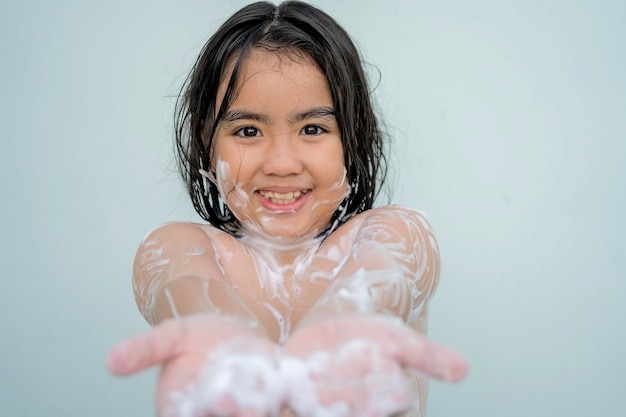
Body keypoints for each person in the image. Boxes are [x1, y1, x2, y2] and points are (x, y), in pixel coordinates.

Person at [106, 1, 468, 416]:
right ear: (207, 140)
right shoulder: (179, 248)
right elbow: (183, 284)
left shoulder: (393, 233)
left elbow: (387, 271)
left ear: (352, 136)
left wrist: (345, 329)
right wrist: (224, 339)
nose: (281, 163)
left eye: (312, 129)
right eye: (248, 130)